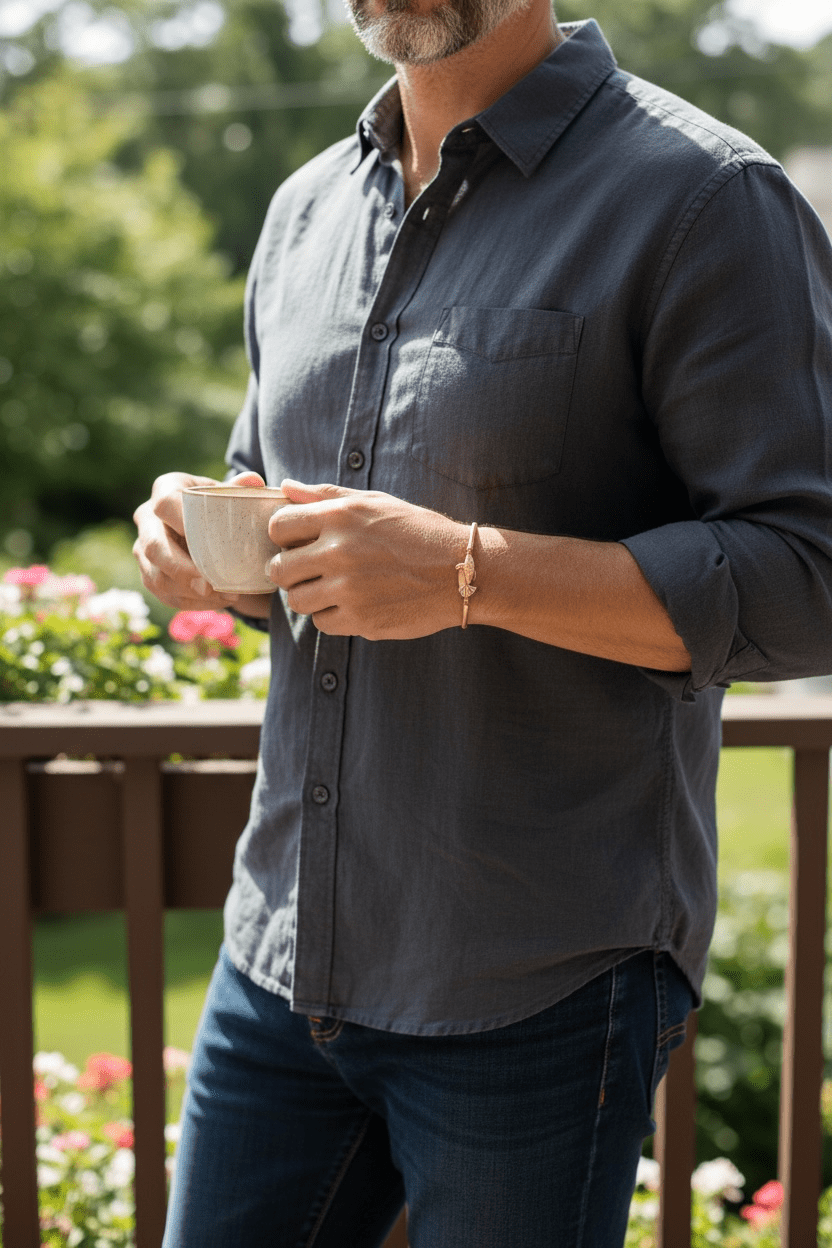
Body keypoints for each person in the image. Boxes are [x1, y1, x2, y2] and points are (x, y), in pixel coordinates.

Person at [133, 0, 832, 1240]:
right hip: (280, 961)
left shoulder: (704, 198)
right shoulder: (303, 212)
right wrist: (213, 552)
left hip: (538, 980)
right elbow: (292, 540)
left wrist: (467, 568)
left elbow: (805, 578)